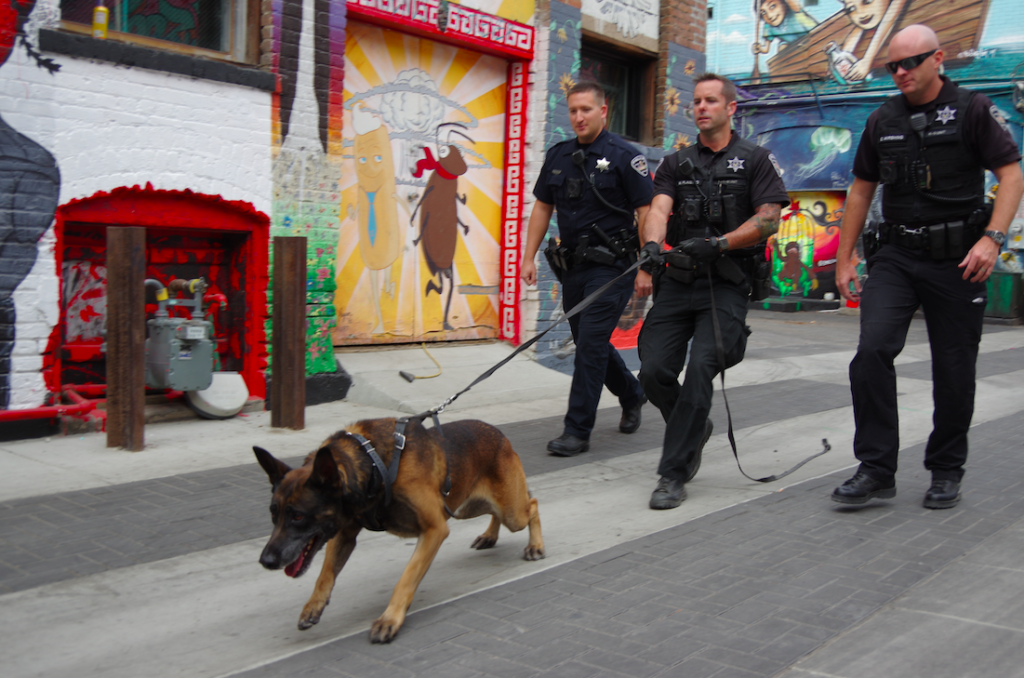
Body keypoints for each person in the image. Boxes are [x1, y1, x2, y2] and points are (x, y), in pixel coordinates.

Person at [833, 24, 1024, 509]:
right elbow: (861, 188)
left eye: (909, 63)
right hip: (896, 255)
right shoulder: (882, 119)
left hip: (959, 258)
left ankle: (945, 468)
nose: (900, 72)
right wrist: (845, 256)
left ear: (937, 59)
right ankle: (876, 467)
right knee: (871, 352)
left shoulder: (973, 111)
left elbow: (1011, 175)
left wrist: (992, 239)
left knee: (954, 369)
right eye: (892, 66)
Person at [637, 73, 789, 509]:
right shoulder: (675, 163)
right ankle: (693, 428)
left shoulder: (756, 159)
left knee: (701, 364)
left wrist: (720, 243)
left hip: (726, 284)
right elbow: (659, 209)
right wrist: (651, 243)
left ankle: (673, 472)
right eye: (696, 102)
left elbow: (768, 219)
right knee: (652, 371)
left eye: (710, 101)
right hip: (678, 281)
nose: (701, 107)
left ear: (730, 108)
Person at [521, 81, 652, 456]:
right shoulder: (559, 155)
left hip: (614, 268)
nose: (579, 117)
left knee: (590, 346)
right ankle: (632, 394)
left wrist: (646, 265)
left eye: (586, 110)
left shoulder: (625, 156)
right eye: (573, 110)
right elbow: (543, 208)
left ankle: (577, 431)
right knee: (589, 344)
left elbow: (646, 213)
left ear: (603, 110)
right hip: (573, 268)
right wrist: (528, 257)